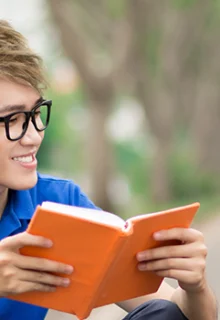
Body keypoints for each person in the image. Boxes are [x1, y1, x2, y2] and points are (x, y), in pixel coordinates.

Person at [0, 19, 217, 320]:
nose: (34, 135)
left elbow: (176, 312)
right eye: (12, 120)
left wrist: (195, 286)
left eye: (36, 113)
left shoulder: (57, 204)